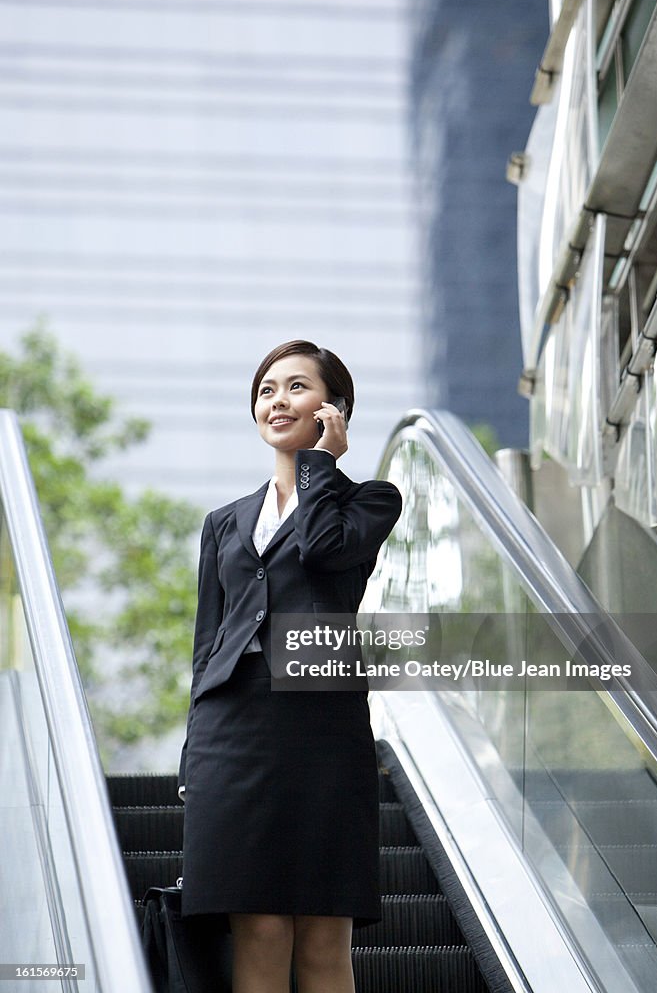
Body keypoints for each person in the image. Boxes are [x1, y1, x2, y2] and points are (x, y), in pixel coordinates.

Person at [178, 339, 402, 993]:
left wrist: (320, 466)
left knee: (324, 934)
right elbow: (208, 642)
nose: (277, 400)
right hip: (232, 732)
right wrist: (194, 751)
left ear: (333, 410)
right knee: (261, 928)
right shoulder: (224, 522)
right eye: (266, 389)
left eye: (296, 387)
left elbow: (323, 551)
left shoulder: (370, 501)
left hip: (322, 728)